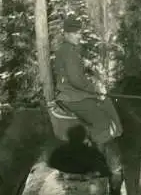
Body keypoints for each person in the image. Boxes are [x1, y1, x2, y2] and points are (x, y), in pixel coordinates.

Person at [53, 15, 123, 148]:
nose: (79, 36)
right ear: (66, 34)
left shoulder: (66, 50)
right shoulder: (69, 52)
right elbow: (76, 80)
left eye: (79, 33)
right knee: (102, 122)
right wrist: (95, 89)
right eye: (75, 33)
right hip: (73, 97)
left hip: (70, 95)